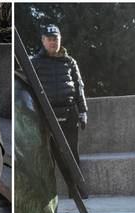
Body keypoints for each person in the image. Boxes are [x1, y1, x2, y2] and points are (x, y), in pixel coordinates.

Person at [30, 24, 88, 197]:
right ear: (43, 41)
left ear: (60, 39)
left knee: (71, 152)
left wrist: (83, 111)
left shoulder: (70, 61)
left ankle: (76, 189)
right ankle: (46, 193)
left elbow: (79, 86)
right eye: (49, 39)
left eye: (55, 39)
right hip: (46, 115)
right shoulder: (34, 63)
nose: (53, 42)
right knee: (46, 156)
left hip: (69, 112)